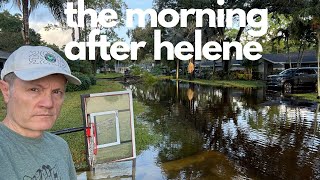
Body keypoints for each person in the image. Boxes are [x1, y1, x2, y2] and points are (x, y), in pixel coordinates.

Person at [0, 45, 81, 179]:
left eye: (56, 92)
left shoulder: (60, 147)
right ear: (6, 91)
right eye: (34, 90)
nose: (48, 103)